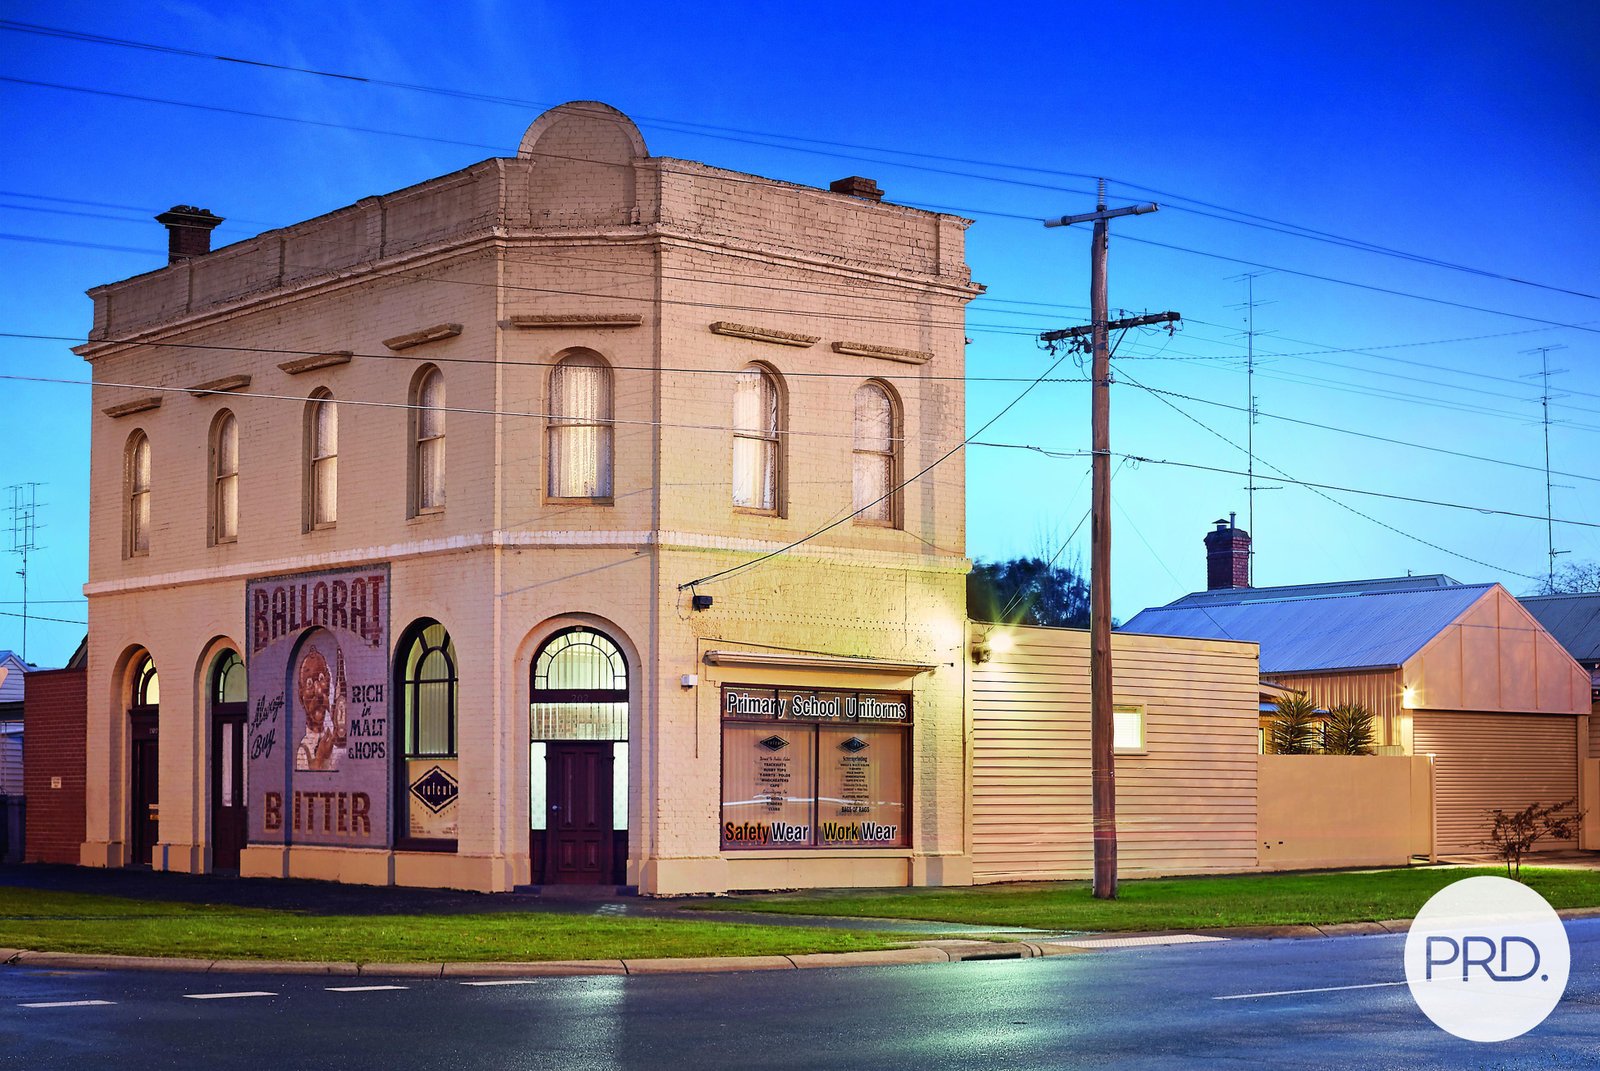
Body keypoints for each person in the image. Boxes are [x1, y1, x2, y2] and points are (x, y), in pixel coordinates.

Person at [294, 643, 346, 771]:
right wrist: (320, 758)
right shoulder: (303, 751)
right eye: (309, 683)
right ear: (301, 696)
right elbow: (307, 782)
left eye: (322, 679)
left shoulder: (332, 739)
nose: (318, 691)